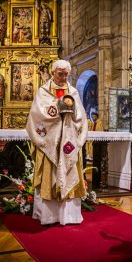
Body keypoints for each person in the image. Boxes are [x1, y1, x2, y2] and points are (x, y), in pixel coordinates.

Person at [26, 59, 88, 225]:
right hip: (50, 142)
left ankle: (69, 216)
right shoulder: (43, 91)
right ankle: (49, 216)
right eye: (60, 74)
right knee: (49, 174)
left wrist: (71, 111)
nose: (64, 77)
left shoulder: (73, 91)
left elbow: (81, 116)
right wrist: (58, 109)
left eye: (66, 74)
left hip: (68, 142)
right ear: (53, 73)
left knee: (69, 173)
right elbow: (37, 115)